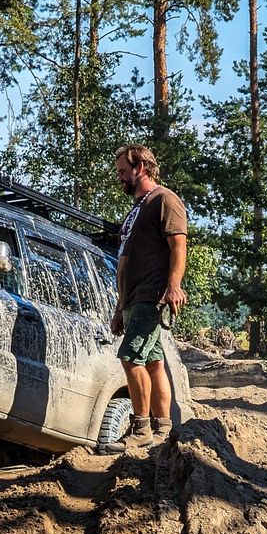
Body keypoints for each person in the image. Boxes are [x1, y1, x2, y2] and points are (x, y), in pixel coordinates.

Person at [107, 144, 187, 452]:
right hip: (132, 298)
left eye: (123, 172)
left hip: (151, 294)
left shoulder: (164, 200)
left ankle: (140, 428)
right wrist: (118, 307)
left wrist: (174, 286)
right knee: (154, 362)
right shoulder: (136, 209)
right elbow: (126, 260)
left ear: (141, 167)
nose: (120, 178)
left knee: (130, 356)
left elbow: (178, 245)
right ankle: (162, 430)